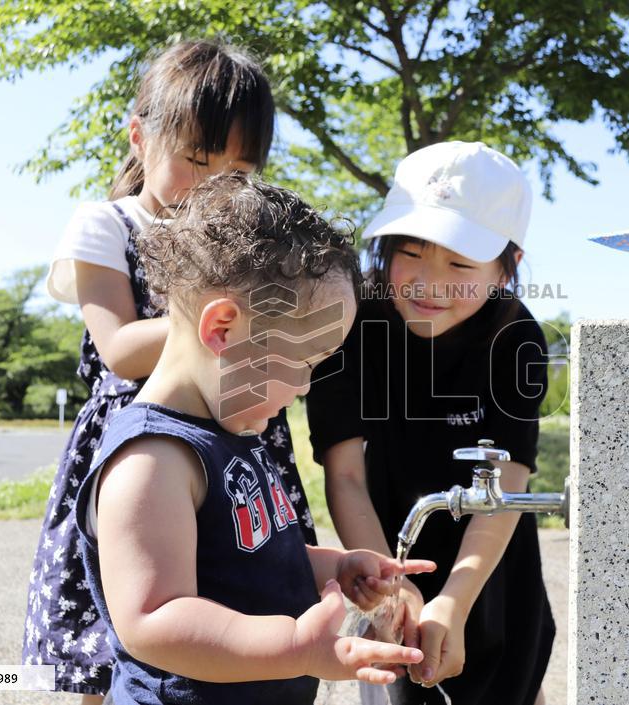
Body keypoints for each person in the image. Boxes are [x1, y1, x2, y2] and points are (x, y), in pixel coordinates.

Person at [24, 39, 320, 702]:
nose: (215, 182)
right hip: (148, 434)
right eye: (196, 158)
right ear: (139, 136)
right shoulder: (109, 224)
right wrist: (225, 313)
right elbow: (119, 347)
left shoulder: (249, 239)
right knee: (127, 630)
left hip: (238, 429)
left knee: (251, 583)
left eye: (239, 167)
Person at [74, 174, 436, 705]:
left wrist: (334, 567)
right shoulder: (153, 460)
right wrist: (295, 647)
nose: (306, 385)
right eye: (302, 362)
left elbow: (255, 554)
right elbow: (152, 618)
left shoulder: (234, 432)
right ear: (222, 327)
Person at [307, 142, 556, 705]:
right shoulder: (351, 326)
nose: (428, 283)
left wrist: (457, 599)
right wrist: (392, 588)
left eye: (460, 264)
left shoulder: (514, 338)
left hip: (492, 560)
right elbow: (345, 476)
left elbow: (511, 477)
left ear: (506, 267)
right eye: (411, 253)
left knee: (515, 680)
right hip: (386, 548)